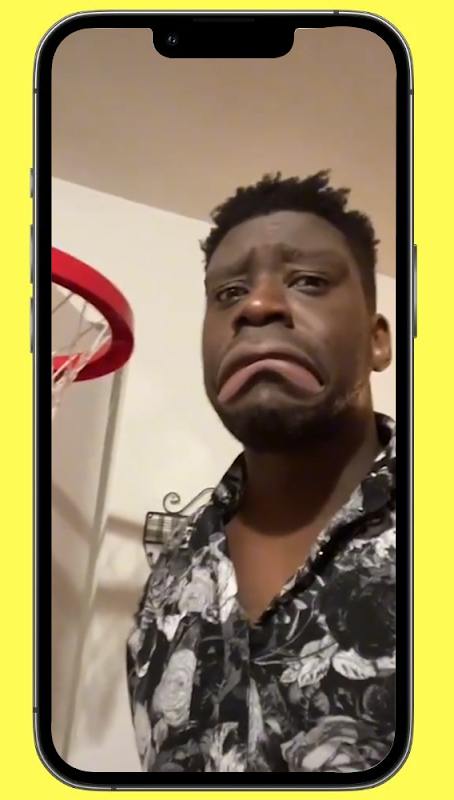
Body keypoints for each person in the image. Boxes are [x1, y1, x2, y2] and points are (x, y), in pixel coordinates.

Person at [126, 171, 395, 773]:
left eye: (308, 281)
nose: (257, 305)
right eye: (228, 293)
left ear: (379, 341)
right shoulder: (166, 587)